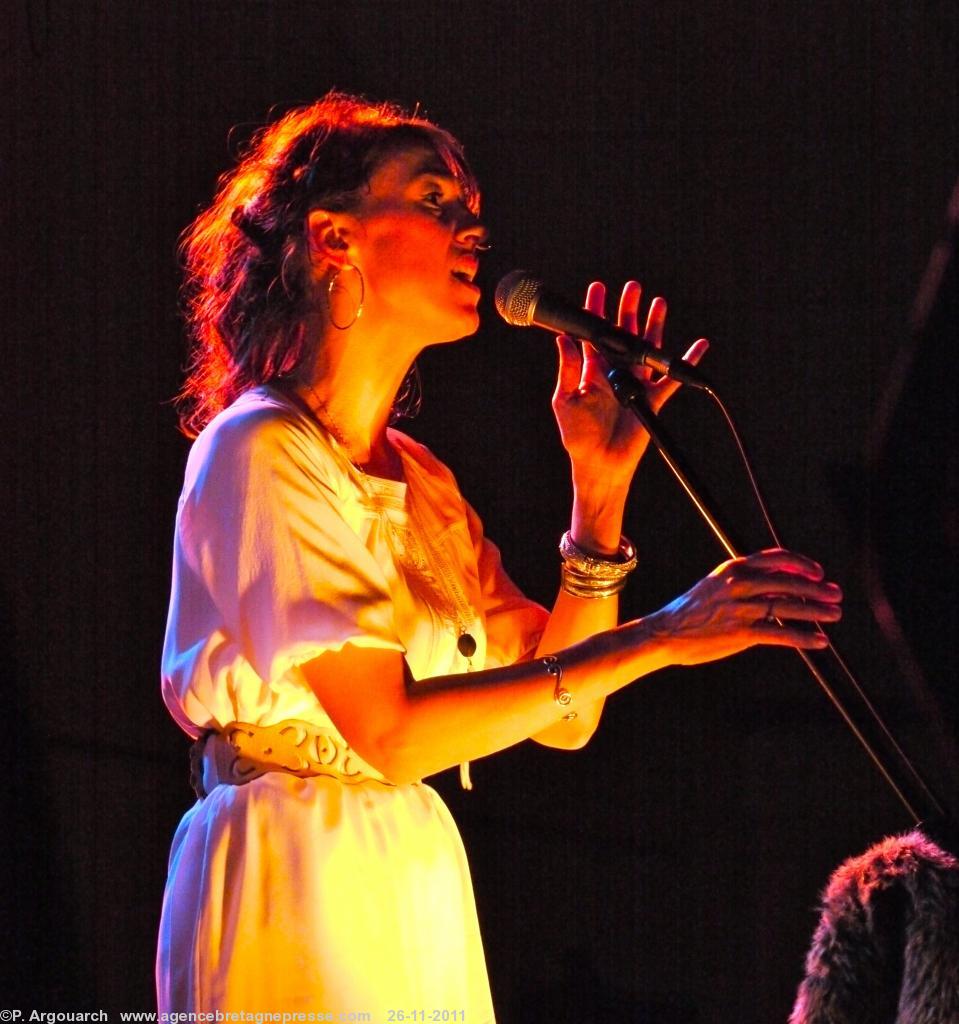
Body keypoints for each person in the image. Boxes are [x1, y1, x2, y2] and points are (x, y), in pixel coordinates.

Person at [156, 92, 843, 1020]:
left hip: (408, 859)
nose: (473, 227)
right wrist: (666, 634)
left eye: (469, 205)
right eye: (433, 199)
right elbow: (390, 732)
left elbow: (564, 717)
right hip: (290, 858)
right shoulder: (262, 448)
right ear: (333, 238)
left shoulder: (423, 482)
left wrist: (597, 497)